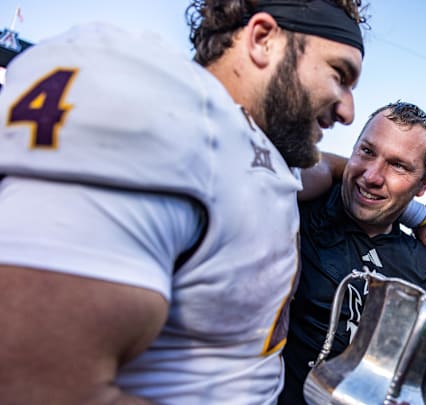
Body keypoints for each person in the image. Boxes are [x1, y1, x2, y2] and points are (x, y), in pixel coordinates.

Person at [0, 1, 367, 403]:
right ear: (263, 40)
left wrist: (416, 214)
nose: (348, 110)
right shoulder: (171, 119)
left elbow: (321, 170)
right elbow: (35, 386)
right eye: (340, 74)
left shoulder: (260, 146)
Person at [279, 101, 426, 403]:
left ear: (425, 183)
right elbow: (278, 167)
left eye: (398, 165)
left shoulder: (419, 260)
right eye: (367, 151)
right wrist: (419, 215)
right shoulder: (302, 205)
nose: (372, 176)